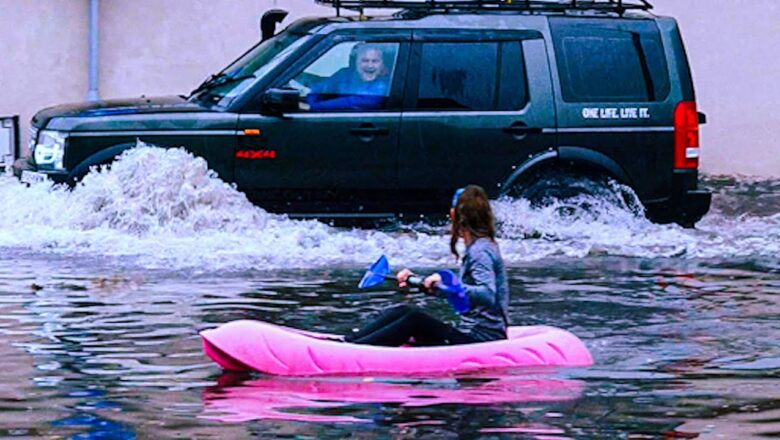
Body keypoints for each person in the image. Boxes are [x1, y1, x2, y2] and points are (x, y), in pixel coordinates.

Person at [345, 185, 510, 346]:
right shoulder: (477, 247)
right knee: (403, 310)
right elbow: (463, 297)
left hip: (482, 338)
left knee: (414, 319)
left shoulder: (480, 251)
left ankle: (355, 350)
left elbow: (488, 294)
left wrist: (450, 283)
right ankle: (351, 341)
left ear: (455, 216)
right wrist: (419, 282)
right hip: (470, 332)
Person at [307, 43, 392, 111]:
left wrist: (312, 107)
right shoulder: (345, 74)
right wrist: (311, 102)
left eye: (375, 61)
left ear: (382, 65)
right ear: (356, 62)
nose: (370, 65)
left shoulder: (386, 84)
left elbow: (353, 102)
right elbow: (320, 87)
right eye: (365, 60)